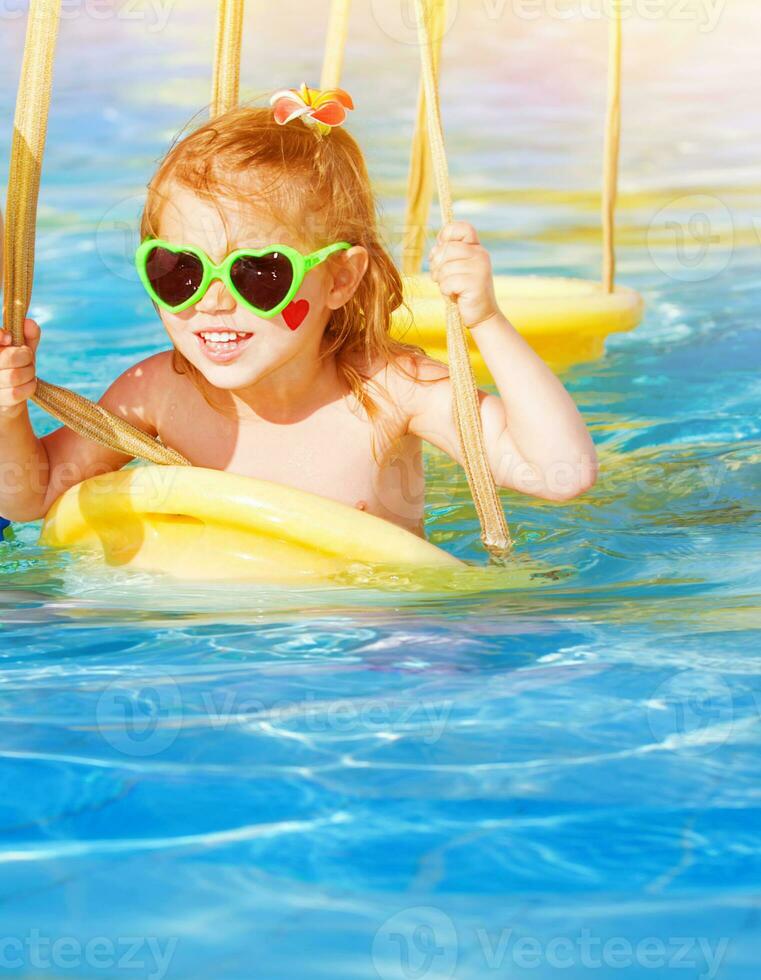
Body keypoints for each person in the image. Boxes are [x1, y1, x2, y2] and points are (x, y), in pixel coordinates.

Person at [0, 85, 597, 538]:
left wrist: (487, 321)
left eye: (258, 273)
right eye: (179, 270)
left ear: (340, 278)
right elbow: (32, 497)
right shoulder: (159, 393)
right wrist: (7, 414)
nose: (212, 300)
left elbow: (560, 474)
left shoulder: (391, 393)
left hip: (373, 642)